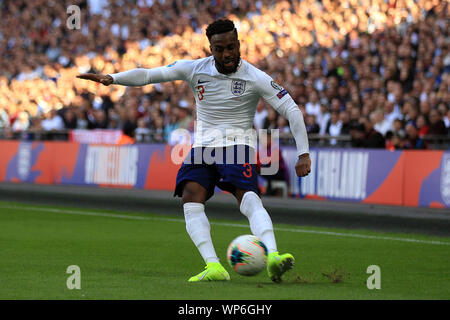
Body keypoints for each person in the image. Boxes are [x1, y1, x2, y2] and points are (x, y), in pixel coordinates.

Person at [76, 19, 311, 283]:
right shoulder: (194, 69)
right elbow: (150, 74)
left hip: (237, 145)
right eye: (219, 49)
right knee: (190, 197)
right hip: (202, 147)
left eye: (231, 47)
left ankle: (274, 257)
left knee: (248, 198)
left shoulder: (255, 77)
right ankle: (214, 266)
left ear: (239, 44)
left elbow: (291, 109)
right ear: (210, 48)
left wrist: (303, 153)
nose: (227, 54)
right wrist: (112, 79)